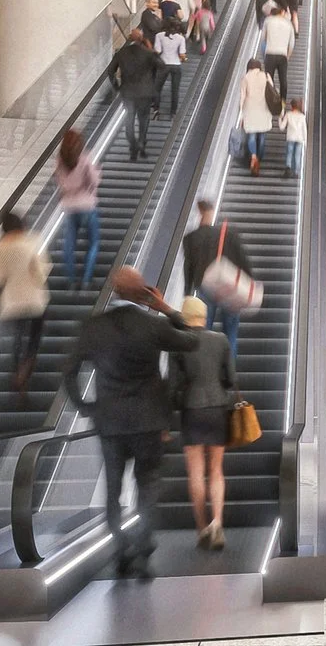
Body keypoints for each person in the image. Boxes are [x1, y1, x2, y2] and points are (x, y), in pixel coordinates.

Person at [64, 268, 201, 574]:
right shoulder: (152, 325)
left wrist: (86, 408)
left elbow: (69, 371)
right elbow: (193, 341)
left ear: (114, 290)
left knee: (113, 486)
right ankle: (143, 542)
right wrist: (165, 308)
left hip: (109, 422)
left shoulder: (93, 327)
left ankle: (120, 544)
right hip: (148, 420)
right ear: (144, 294)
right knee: (148, 484)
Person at [175, 293, 239, 551]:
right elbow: (231, 379)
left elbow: (174, 383)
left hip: (191, 410)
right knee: (216, 470)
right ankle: (218, 523)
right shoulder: (220, 340)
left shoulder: (179, 343)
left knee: (195, 473)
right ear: (204, 316)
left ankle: (201, 529)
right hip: (217, 409)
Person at [0, 211, 51, 393]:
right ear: (21, 224)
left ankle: (16, 371)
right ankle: (27, 366)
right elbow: (40, 272)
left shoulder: (0, 247)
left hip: (11, 300)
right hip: (34, 298)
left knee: (18, 335)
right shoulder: (32, 241)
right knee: (34, 337)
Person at [181, 198, 253, 358]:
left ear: (199, 212)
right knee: (230, 334)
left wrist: (187, 293)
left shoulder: (190, 238)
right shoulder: (229, 235)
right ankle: (228, 375)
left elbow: (189, 267)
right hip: (229, 289)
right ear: (213, 211)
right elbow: (243, 261)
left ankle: (202, 368)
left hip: (204, 289)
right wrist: (248, 284)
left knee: (202, 332)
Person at [54, 128, 102, 288]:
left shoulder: (59, 161)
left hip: (69, 207)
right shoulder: (84, 159)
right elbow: (94, 182)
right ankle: (86, 279)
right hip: (87, 206)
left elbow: (61, 184)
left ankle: (71, 280)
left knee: (69, 244)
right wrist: (96, 174)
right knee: (93, 242)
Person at [109, 29, 162, 160]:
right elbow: (163, 67)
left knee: (129, 118)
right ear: (141, 38)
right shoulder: (148, 53)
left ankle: (133, 145)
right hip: (145, 92)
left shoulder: (121, 53)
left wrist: (116, 86)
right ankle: (141, 143)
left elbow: (110, 71)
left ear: (129, 38)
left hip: (128, 93)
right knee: (144, 119)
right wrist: (154, 84)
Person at [238, 58, 275, 175]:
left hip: (250, 110)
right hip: (263, 109)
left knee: (251, 136)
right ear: (259, 66)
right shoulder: (266, 76)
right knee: (262, 136)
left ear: (249, 67)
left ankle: (253, 156)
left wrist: (241, 114)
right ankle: (260, 157)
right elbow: (272, 90)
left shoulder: (246, 77)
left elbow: (242, 97)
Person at [260, 0, 296, 93]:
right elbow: (292, 43)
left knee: (269, 78)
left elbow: (263, 38)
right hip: (282, 55)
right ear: (282, 12)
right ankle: (283, 102)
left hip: (270, 53)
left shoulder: (268, 20)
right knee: (283, 80)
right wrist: (288, 56)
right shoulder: (288, 24)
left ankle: (271, 99)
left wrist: (264, 53)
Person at [155, 22, 187, 112]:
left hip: (163, 64)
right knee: (175, 90)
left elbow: (157, 51)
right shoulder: (181, 38)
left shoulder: (159, 35)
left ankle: (156, 109)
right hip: (176, 65)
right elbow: (182, 54)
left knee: (157, 88)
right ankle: (173, 111)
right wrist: (184, 59)